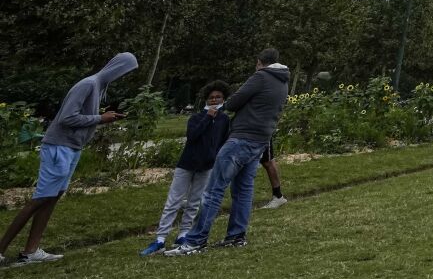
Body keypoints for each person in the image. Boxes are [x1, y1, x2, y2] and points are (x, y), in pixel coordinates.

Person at [1, 52, 136, 265]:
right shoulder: (88, 85)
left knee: (52, 197)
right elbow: (67, 118)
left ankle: (31, 251)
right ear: (116, 68)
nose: (124, 77)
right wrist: (100, 118)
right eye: (125, 72)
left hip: (73, 147)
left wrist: (102, 118)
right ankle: (1, 248)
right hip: (59, 146)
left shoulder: (99, 88)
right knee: (41, 197)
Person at [164, 48, 291, 255]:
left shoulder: (261, 77)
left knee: (214, 190)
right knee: (243, 191)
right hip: (260, 141)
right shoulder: (283, 82)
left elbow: (233, 102)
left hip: (241, 139)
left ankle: (195, 241)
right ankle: (236, 236)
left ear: (260, 63)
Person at [143, 81, 233, 254]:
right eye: (211, 97)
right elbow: (192, 136)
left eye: (218, 97)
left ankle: (183, 233)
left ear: (223, 99)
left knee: (194, 202)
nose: (214, 100)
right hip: (186, 164)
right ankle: (160, 238)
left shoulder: (224, 120)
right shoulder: (197, 117)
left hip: (207, 166)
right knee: (174, 201)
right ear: (206, 100)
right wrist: (208, 117)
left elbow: (223, 141)